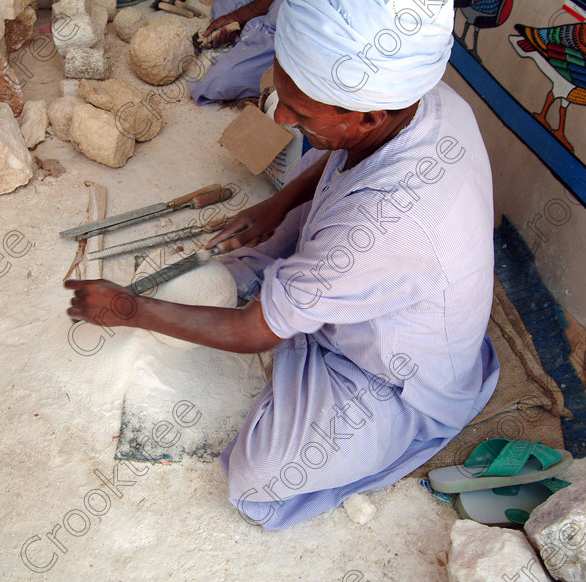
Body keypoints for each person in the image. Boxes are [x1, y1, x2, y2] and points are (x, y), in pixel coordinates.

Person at [67, 0, 500, 530]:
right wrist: (278, 206)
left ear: (367, 114)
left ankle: (314, 344)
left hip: (397, 378)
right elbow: (343, 160)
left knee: (261, 474)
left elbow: (253, 332)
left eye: (302, 111)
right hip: (376, 264)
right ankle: (298, 308)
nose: (280, 118)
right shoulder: (423, 99)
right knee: (239, 260)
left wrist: (129, 308)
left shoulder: (383, 226)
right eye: (284, 94)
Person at [187, 0, 283, 105]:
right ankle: (242, 32)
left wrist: (239, 17)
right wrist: (237, 16)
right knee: (223, 6)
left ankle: (249, 38)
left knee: (221, 79)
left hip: (283, 32)